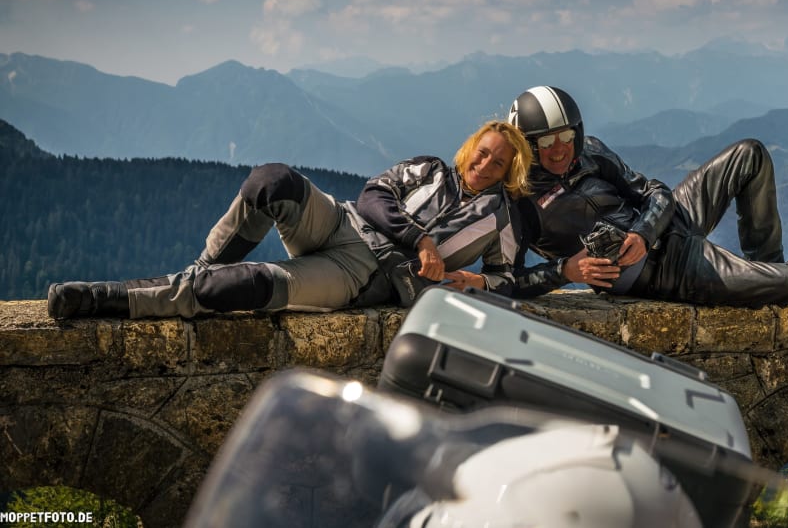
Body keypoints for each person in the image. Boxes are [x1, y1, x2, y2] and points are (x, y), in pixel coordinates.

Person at [47, 120, 532, 320]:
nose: (484, 165)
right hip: (341, 223)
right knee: (271, 181)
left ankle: (102, 299)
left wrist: (477, 282)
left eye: (497, 163)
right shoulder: (427, 168)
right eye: (482, 153)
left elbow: (507, 278)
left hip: (358, 277)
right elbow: (371, 198)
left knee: (241, 287)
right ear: (471, 148)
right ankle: (200, 267)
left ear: (510, 170)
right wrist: (422, 240)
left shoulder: (501, 219)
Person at [507, 86, 788, 306]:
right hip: (661, 273)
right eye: (545, 142)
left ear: (576, 132)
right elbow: (511, 280)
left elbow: (654, 191)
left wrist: (643, 234)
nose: (559, 150)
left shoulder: (589, 150)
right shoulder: (520, 202)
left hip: (665, 225)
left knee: (749, 154)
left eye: (565, 137)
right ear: (527, 146)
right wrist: (565, 271)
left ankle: (769, 270)